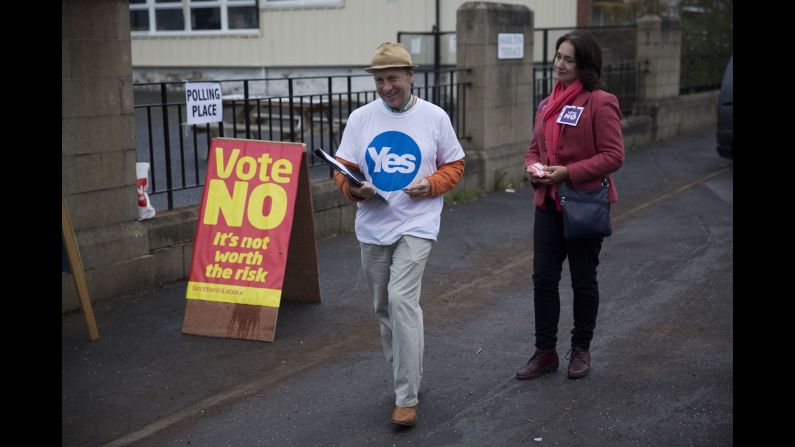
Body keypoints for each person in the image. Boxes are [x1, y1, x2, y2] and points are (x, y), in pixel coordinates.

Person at [333, 42, 465, 426]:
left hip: (417, 223)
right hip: (372, 225)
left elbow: (454, 164)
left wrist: (432, 183)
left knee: (401, 300)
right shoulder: (361, 118)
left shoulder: (434, 117)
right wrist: (353, 189)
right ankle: (409, 375)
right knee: (384, 308)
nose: (387, 86)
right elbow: (343, 167)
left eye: (393, 78)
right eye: (379, 79)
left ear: (411, 76)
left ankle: (406, 396)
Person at [517, 30, 624, 381]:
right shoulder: (548, 103)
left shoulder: (600, 101)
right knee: (543, 280)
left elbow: (613, 156)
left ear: (585, 65)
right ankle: (545, 352)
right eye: (557, 57)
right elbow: (535, 149)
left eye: (568, 59)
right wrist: (534, 169)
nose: (558, 64)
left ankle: (581, 348)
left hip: (583, 205)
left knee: (583, 281)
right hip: (547, 204)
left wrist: (568, 172)